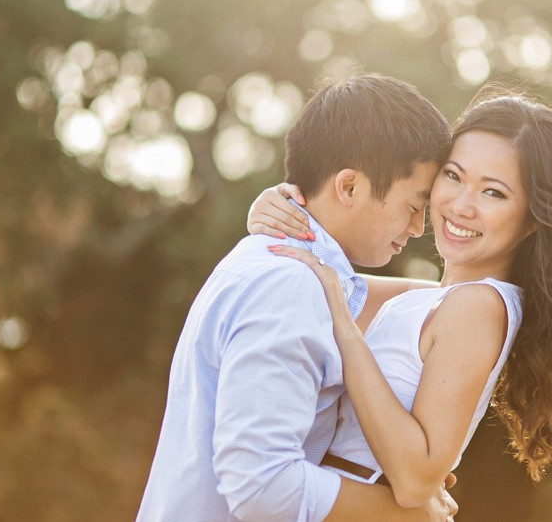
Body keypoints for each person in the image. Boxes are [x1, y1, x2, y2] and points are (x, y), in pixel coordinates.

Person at [248, 87, 552, 505]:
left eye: (494, 192)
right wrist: (277, 206)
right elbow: (324, 279)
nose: (461, 205)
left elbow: (417, 479)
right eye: (453, 176)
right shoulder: (433, 300)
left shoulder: (478, 307)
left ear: (532, 219)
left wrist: (347, 336)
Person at [136, 74, 457, 521]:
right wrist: (408, 515)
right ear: (349, 188)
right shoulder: (289, 283)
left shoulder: (290, 269)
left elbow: (445, 300)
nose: (418, 227)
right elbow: (261, 484)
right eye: (413, 205)